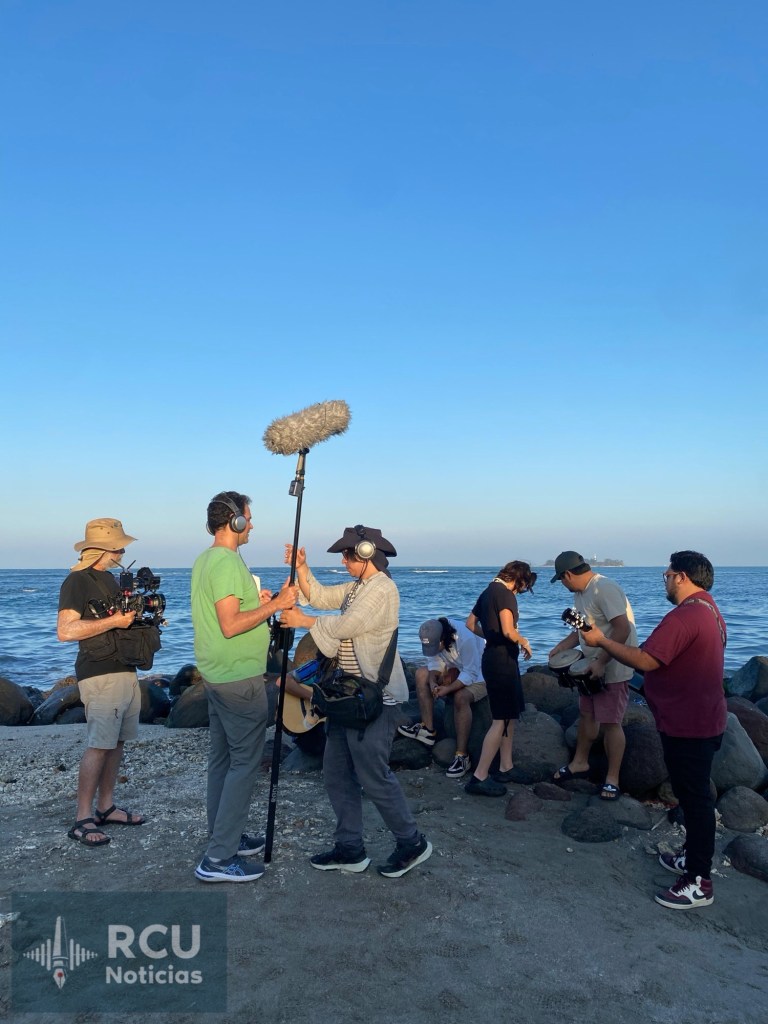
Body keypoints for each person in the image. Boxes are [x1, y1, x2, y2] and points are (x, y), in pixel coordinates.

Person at [280, 525, 432, 879]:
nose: (344, 560)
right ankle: (350, 848)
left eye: (348, 554)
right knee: (336, 774)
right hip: (347, 697)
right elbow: (320, 597)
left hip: (375, 700)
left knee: (373, 776)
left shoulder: (382, 589)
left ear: (366, 553)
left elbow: (348, 626)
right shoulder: (357, 588)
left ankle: (412, 843)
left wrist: (303, 621)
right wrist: (301, 568)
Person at [581, 551, 727, 910]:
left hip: (689, 725)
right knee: (692, 797)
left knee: (696, 801)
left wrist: (602, 642)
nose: (665, 577)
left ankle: (699, 882)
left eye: (668, 574)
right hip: (704, 719)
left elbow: (647, 660)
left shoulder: (685, 616)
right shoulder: (710, 610)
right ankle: (692, 856)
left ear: (682, 577)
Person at [190, 491, 299, 884]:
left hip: (218, 676)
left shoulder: (206, 559)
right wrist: (277, 604)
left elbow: (230, 612)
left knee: (222, 761)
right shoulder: (225, 561)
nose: (251, 524)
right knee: (243, 765)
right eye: (248, 518)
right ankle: (219, 859)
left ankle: (224, 836)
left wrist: (259, 600)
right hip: (237, 679)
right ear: (234, 521)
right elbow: (230, 625)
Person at [57, 518, 146, 847]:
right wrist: (114, 622)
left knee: (117, 741)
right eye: (118, 548)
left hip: (125, 667)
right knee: (99, 744)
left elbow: (118, 620)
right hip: (99, 671)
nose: (122, 553)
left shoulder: (111, 578)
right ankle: (82, 818)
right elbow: (65, 631)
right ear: (101, 549)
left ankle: (106, 807)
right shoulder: (77, 581)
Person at [549, 551, 638, 800]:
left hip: (613, 666)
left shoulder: (604, 588)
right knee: (587, 714)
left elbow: (623, 629)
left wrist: (601, 661)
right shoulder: (581, 593)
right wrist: (561, 647)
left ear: (568, 575)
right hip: (590, 666)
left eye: (561, 579)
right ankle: (580, 762)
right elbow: (582, 630)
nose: (562, 584)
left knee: (610, 723)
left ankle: (612, 779)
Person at [464, 561, 536, 797]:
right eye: (524, 586)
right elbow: (508, 630)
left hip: (492, 657)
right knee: (501, 720)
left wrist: (490, 635)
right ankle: (479, 776)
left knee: (509, 716)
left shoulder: (487, 591)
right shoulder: (505, 594)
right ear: (519, 580)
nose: (522, 591)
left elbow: (470, 624)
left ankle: (506, 766)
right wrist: (524, 641)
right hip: (502, 661)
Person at [397, 617, 486, 780]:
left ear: (443, 638)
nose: (431, 650)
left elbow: (471, 673)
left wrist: (448, 689)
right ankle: (428, 730)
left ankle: (462, 756)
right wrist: (432, 682)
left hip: (481, 671)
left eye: (433, 646)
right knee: (421, 674)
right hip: (456, 667)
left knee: (460, 697)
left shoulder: (465, 638)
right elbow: (434, 663)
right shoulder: (431, 633)